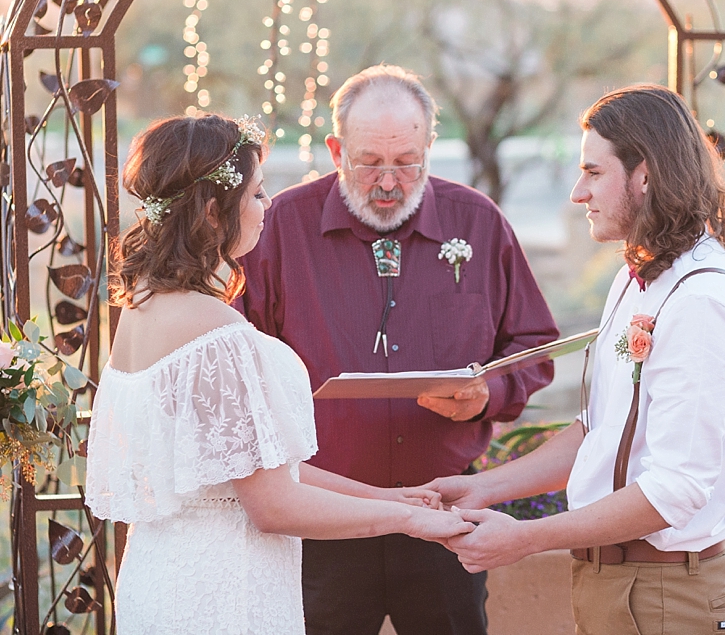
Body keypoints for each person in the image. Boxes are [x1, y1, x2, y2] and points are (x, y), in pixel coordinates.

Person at [84, 114, 474, 635]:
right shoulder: (216, 333)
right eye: (258, 194)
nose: (267, 208)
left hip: (161, 580)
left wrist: (379, 496)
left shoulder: (142, 307)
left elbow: (247, 467)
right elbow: (273, 505)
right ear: (211, 211)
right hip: (223, 596)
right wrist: (408, 521)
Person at [431, 84, 725, 635]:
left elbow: (675, 490)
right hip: (615, 586)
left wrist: (524, 538)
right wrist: (484, 488)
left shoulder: (703, 303)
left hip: (671, 597)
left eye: (593, 172)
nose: (576, 193)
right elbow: (601, 430)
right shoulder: (635, 279)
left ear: (645, 176)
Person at [236, 64, 559, 635]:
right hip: (322, 520)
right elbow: (238, 357)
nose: (389, 183)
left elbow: (534, 345)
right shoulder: (280, 226)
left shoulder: (478, 223)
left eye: (408, 162)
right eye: (369, 163)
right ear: (336, 150)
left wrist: (488, 394)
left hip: (444, 512)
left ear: (430, 147)